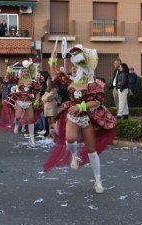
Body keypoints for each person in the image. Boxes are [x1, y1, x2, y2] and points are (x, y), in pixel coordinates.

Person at [43, 45, 117, 193]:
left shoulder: (93, 83)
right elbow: (54, 75)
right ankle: (74, 155)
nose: (74, 69)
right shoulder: (71, 82)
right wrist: (52, 58)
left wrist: (80, 107)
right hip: (72, 116)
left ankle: (98, 180)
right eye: (74, 66)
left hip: (87, 117)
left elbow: (97, 101)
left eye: (78, 66)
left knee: (91, 151)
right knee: (69, 139)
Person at [0, 59, 43, 147]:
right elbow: (7, 79)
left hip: (29, 101)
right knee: (18, 116)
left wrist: (37, 101)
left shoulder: (33, 82)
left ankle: (32, 138)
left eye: (26, 71)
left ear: (28, 72)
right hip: (19, 100)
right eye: (23, 71)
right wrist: (9, 70)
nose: (25, 72)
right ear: (21, 73)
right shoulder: (18, 80)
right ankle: (17, 124)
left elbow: (37, 92)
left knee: (31, 120)